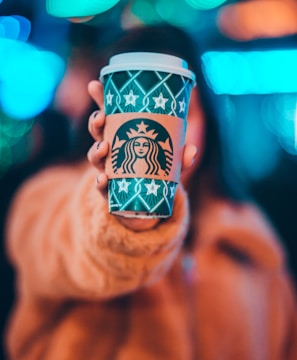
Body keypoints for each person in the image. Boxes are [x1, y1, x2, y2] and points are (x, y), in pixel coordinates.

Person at [4, 24, 297, 360]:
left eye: (184, 112)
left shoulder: (251, 243)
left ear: (209, 123)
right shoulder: (47, 198)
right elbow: (69, 246)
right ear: (103, 116)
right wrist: (127, 219)